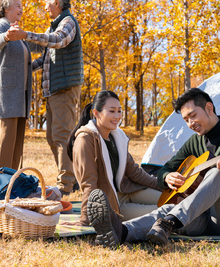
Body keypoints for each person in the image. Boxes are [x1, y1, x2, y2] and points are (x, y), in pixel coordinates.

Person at [87, 88, 220, 247]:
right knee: (171, 209)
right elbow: (164, 170)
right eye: (186, 120)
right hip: (201, 217)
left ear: (209, 108)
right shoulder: (194, 142)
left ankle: (168, 221)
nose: (191, 123)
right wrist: (167, 176)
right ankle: (121, 232)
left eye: (193, 115)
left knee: (219, 174)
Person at [6, 0, 84, 195]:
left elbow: (58, 41)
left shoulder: (68, 23)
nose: (45, 5)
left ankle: (66, 185)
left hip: (64, 88)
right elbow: (44, 53)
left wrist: (26, 34)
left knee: (62, 136)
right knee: (53, 137)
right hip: (54, 90)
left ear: (57, 3)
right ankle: (71, 178)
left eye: (47, 1)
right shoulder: (55, 26)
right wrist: (20, 41)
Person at [66, 90, 162, 226]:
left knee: (175, 200)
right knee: (167, 211)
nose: (117, 116)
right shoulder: (85, 139)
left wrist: (162, 186)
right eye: (112, 111)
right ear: (96, 113)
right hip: (113, 204)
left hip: (129, 191)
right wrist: (84, 220)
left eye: (119, 111)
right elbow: (89, 183)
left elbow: (134, 172)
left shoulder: (115, 136)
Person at [0, 0, 42, 178]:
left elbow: (25, 66)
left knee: (15, 150)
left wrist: (42, 61)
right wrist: (7, 37)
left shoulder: (18, 32)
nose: (21, 9)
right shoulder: (0, 27)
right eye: (17, 5)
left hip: (20, 99)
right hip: (6, 98)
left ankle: (9, 188)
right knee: (4, 147)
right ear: (6, 8)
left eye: (21, 5)